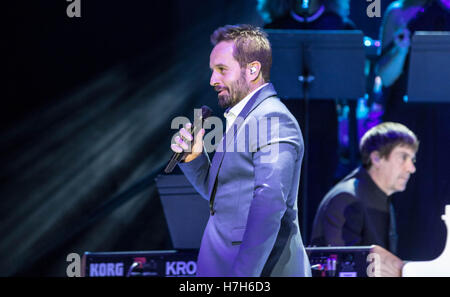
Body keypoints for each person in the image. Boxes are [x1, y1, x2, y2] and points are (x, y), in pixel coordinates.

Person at [170, 24, 311, 277]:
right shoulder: (242, 119)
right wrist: (194, 158)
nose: (213, 80)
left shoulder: (273, 119)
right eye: (213, 71)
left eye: (222, 70)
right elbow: (222, 197)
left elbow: (269, 206)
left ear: (253, 69)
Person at [257, 0, 358, 242]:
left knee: (320, 186)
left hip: (323, 124)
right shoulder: (274, 29)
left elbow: (351, 82)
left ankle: (318, 251)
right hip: (282, 127)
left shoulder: (340, 27)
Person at [310, 122, 419, 254]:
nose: (411, 168)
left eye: (412, 160)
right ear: (376, 158)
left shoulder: (384, 199)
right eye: (403, 157)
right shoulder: (346, 198)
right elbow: (344, 268)